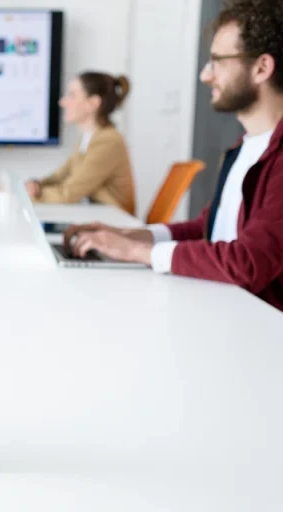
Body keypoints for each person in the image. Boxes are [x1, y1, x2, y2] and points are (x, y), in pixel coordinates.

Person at [65, 0, 283, 312]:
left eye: (218, 61)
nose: (206, 76)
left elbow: (247, 262)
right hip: (224, 308)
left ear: (262, 68)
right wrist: (136, 237)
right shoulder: (244, 147)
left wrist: (140, 253)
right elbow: (208, 229)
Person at [0, 72, 136, 215]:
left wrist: (22, 195)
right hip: (97, 215)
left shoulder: (108, 141)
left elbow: (69, 193)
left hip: (115, 223)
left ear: (93, 103)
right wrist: (35, 185)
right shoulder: (88, 138)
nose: (63, 102)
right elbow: (62, 176)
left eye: (72, 95)